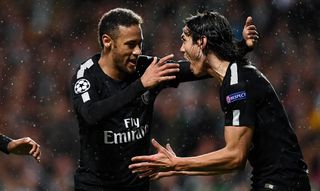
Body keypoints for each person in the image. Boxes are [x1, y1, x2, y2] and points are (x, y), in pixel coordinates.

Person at [71, 8, 257, 191]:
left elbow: (194, 69)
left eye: (140, 44)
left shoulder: (144, 67)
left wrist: (241, 48)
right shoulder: (86, 76)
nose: (137, 51)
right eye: (130, 44)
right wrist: (141, 85)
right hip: (95, 186)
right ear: (107, 42)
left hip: (136, 185)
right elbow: (91, 114)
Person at [129, 11, 311, 191]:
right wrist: (178, 167)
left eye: (184, 40)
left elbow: (235, 157)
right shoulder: (234, 75)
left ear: (201, 42)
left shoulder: (238, 83)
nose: (181, 49)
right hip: (277, 181)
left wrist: (177, 164)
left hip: (282, 184)